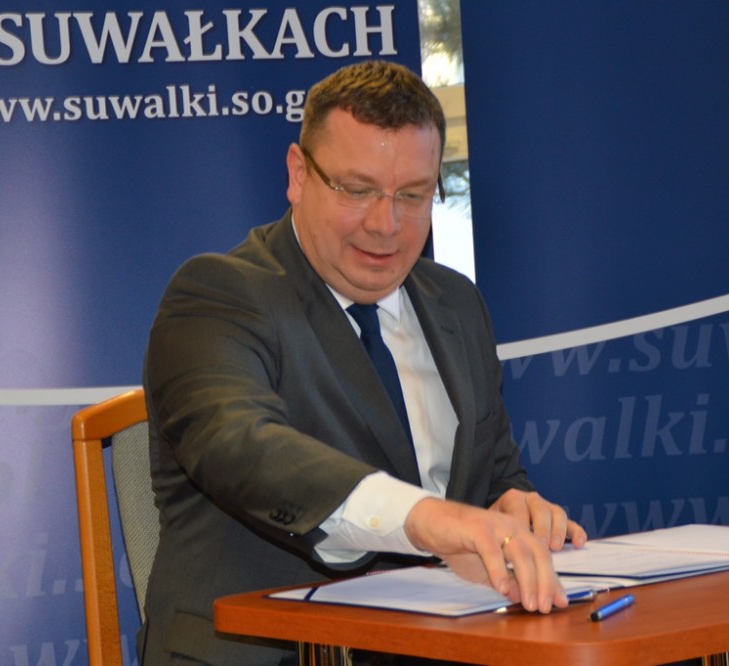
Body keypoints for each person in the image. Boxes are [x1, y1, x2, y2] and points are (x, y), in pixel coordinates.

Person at [140, 60, 587, 666]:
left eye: (413, 195)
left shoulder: (456, 303)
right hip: (274, 651)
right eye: (357, 190)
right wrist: (429, 519)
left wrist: (515, 510)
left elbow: (497, 474)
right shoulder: (220, 294)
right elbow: (240, 446)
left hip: (445, 645)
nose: (386, 225)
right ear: (299, 175)